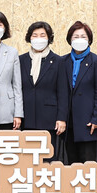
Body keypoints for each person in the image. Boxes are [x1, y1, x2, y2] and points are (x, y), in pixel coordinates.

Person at [19, 21, 68, 162]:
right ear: (29, 38)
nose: (38, 39)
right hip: (26, 117)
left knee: (47, 159)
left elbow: (63, 92)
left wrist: (61, 118)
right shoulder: (21, 60)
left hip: (49, 119)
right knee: (27, 160)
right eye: (35, 35)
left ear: (49, 38)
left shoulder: (58, 61)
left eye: (42, 35)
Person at [62, 21, 97, 164]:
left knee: (88, 163)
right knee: (71, 162)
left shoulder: (96, 61)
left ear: (89, 40)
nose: (79, 40)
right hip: (69, 121)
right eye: (76, 36)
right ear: (70, 39)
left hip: (88, 121)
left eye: (83, 36)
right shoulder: (63, 61)